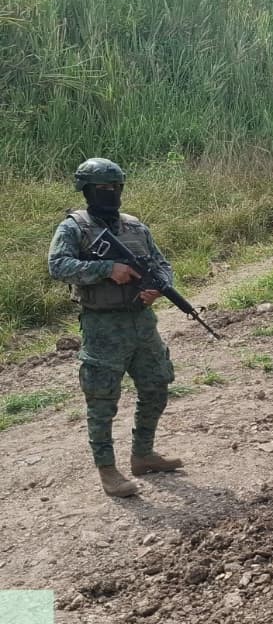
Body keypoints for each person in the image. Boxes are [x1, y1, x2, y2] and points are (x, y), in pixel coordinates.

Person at [48, 158, 183, 498]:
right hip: (102, 325)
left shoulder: (135, 227)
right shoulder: (74, 227)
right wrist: (108, 268)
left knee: (156, 385)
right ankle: (108, 471)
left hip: (141, 321)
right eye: (102, 188)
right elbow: (58, 266)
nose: (110, 193)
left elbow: (160, 263)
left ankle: (143, 454)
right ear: (88, 190)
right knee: (102, 398)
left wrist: (159, 286)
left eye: (115, 187)